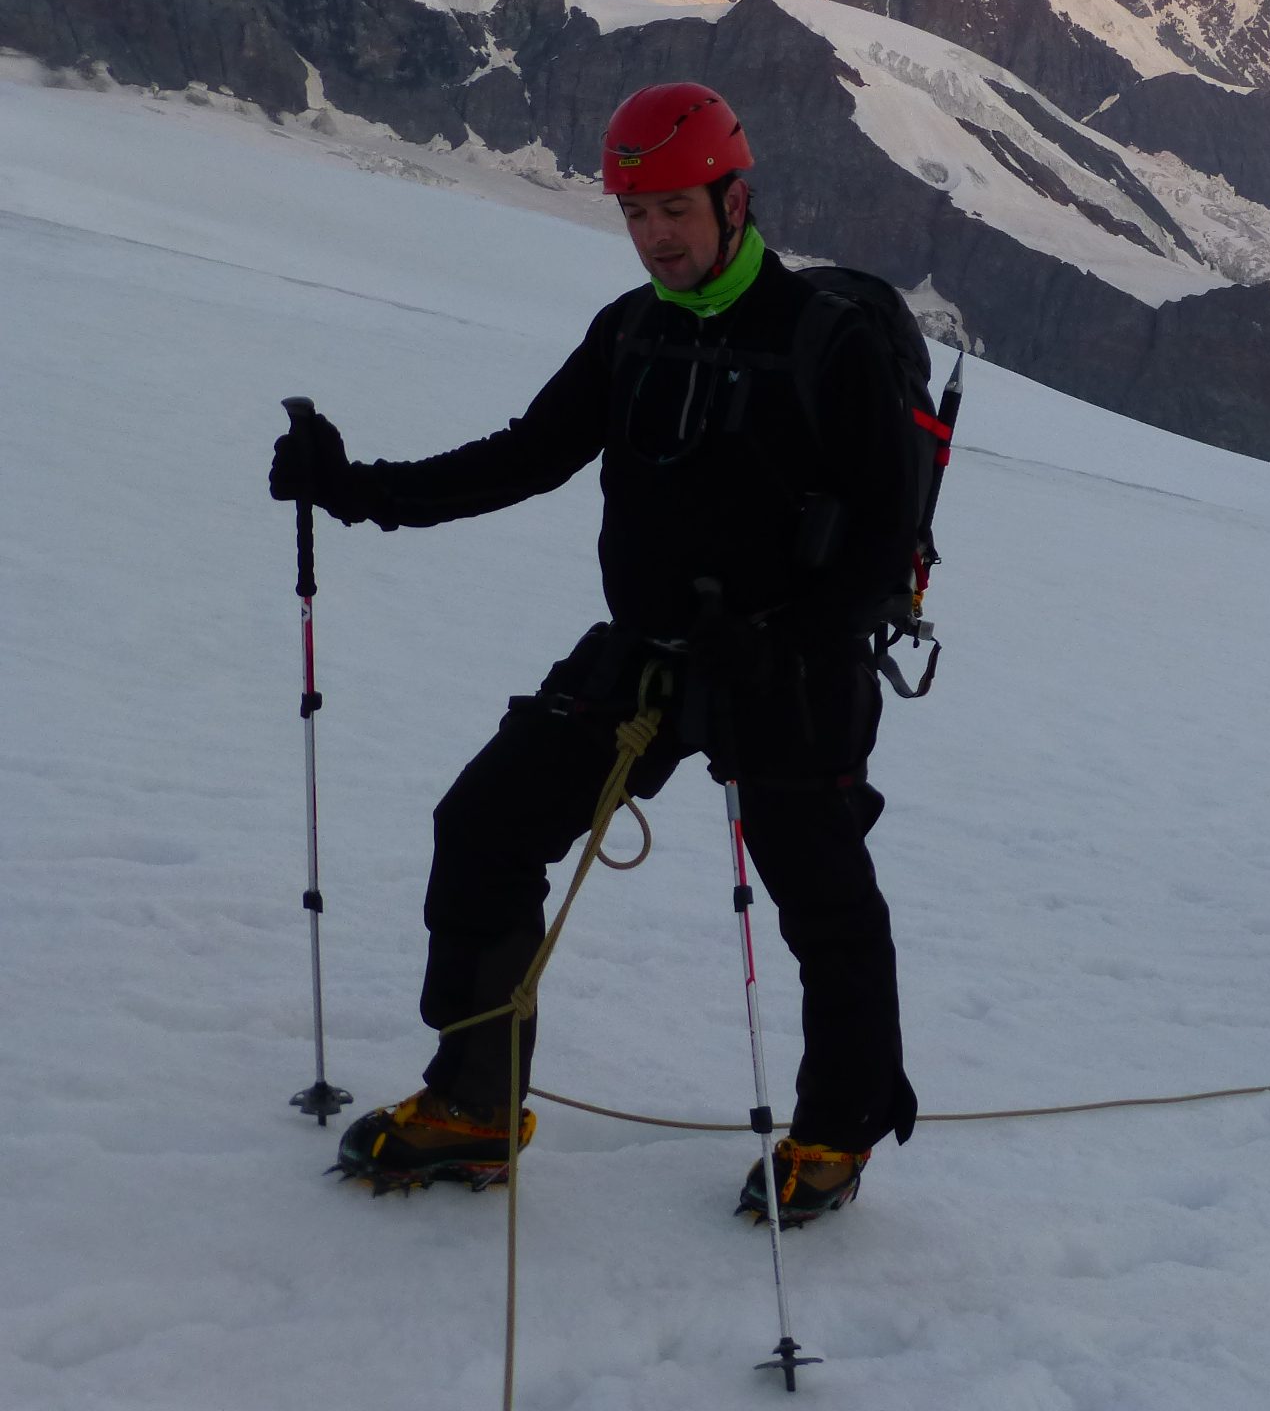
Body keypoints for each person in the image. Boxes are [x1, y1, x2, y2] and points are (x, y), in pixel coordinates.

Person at [269, 82, 929, 1224]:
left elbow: (883, 532)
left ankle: (835, 1134)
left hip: (792, 672)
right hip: (649, 653)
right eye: (634, 213)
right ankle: (474, 1109)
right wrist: (354, 489)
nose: (655, 236)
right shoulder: (631, 332)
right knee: (484, 824)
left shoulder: (827, 346)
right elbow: (524, 456)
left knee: (820, 900)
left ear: (734, 199)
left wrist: (790, 642)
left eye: (674, 207)